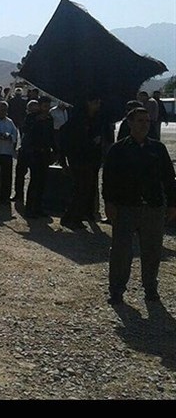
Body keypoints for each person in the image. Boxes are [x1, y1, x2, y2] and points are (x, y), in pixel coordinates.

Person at [103, 107, 176, 304]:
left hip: (153, 207)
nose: (144, 125)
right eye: (140, 121)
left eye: (147, 121)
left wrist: (172, 204)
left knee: (152, 250)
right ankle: (117, 290)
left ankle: (150, 288)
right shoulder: (118, 149)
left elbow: (169, 178)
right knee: (121, 251)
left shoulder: (158, 149)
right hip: (125, 207)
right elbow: (108, 179)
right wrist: (109, 203)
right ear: (130, 123)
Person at [60, 97, 112, 229]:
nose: (98, 105)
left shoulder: (96, 119)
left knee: (85, 189)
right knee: (81, 189)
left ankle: (73, 216)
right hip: (79, 158)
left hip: (91, 158)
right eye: (96, 103)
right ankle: (73, 218)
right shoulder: (78, 120)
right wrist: (91, 141)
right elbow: (73, 139)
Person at [18, 98, 54, 219]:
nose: (47, 109)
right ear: (39, 106)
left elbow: (51, 136)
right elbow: (25, 130)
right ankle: (29, 209)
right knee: (34, 182)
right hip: (34, 153)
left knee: (42, 182)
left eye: (48, 106)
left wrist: (55, 150)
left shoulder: (49, 118)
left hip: (45, 153)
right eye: (45, 106)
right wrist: (36, 121)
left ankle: (38, 208)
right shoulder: (31, 117)